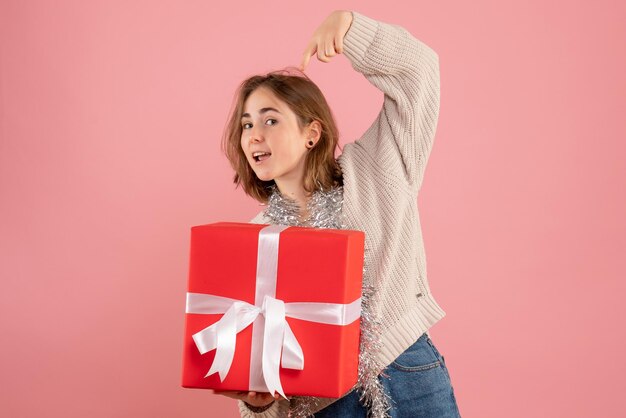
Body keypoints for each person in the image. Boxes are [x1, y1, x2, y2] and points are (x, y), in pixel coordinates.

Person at [213, 9, 461, 418]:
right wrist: (258, 403)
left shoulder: (378, 167)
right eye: (245, 125)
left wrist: (351, 26)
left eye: (270, 120)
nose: (254, 135)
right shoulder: (255, 241)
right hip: (322, 406)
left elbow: (419, 71)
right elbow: (257, 360)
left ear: (312, 133)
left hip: (408, 371)